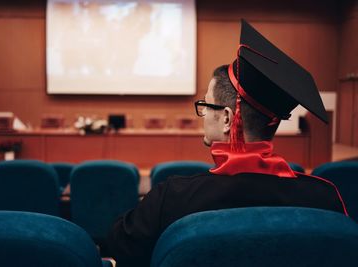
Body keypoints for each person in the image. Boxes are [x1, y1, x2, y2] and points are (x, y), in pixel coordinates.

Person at [106, 19, 348, 267]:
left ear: (226, 118)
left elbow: (120, 247)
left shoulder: (172, 199)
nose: (202, 113)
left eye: (206, 104)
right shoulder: (325, 198)